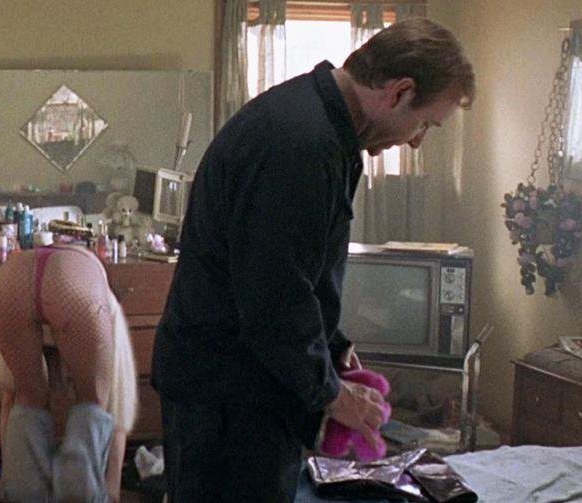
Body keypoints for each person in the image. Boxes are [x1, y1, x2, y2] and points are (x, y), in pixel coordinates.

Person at [152, 18, 475, 502]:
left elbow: (302, 269)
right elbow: (274, 296)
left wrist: (333, 347)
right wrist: (331, 393)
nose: (417, 140)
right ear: (399, 92)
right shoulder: (300, 145)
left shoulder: (320, 126)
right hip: (228, 396)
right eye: (426, 123)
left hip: (243, 384)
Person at [0, 244, 137, 502]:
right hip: (72, 284)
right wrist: (112, 489)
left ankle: (23, 493)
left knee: (27, 396)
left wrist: (8, 475)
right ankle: (79, 495)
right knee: (92, 401)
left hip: (11, 277)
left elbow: (10, 399)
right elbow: (116, 410)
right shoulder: (105, 300)